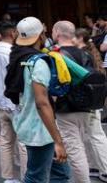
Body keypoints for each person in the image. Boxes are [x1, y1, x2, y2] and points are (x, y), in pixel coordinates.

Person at [9, 17, 70, 182]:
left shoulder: (18, 57)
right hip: (41, 130)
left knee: (61, 174)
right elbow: (42, 103)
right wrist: (58, 141)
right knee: (36, 177)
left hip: (30, 124)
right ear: (41, 35)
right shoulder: (38, 62)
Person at [52, 21, 97, 183]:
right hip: (86, 106)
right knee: (81, 146)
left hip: (66, 108)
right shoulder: (85, 54)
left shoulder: (56, 55)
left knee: (75, 151)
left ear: (57, 33)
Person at [0, 22, 27, 183]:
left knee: (6, 141)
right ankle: (26, 176)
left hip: (0, 101)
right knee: (24, 142)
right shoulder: (12, 52)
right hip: (15, 103)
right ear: (12, 33)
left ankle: (8, 177)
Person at [74, 29, 107, 182]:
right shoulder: (90, 53)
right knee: (91, 135)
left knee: (95, 135)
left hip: (88, 101)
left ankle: (104, 169)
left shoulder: (81, 54)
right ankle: (96, 167)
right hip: (93, 100)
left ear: (80, 38)